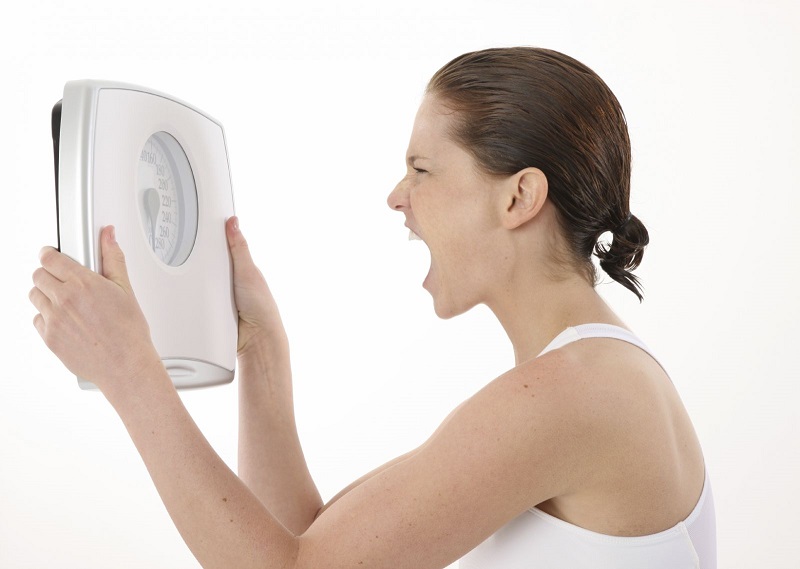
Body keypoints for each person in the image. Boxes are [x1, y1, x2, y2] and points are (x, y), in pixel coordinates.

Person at [29, 47, 716, 568]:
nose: (397, 196)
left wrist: (132, 374)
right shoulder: (588, 376)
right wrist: (263, 351)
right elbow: (309, 542)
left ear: (518, 197)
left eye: (423, 169)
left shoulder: (578, 392)